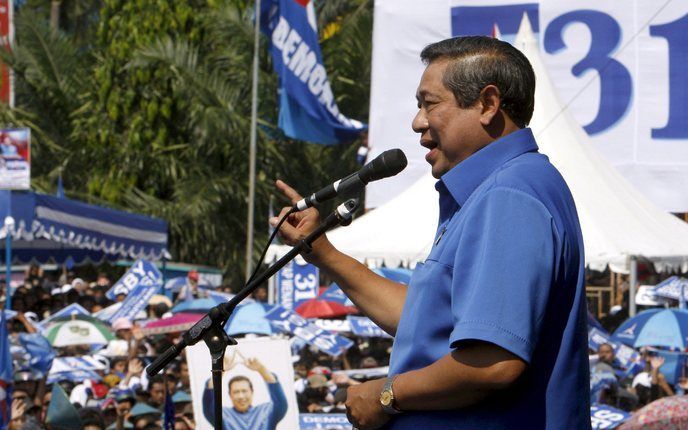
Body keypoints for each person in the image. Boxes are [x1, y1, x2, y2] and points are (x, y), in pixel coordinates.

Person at [271, 35, 589, 429]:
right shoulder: (499, 189)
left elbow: (491, 362)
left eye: (429, 103)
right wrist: (323, 252)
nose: (417, 121)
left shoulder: (510, 193)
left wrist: (386, 395)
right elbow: (426, 321)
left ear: (488, 104)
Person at [202, 357, 287, 430]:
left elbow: (281, 402)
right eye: (236, 392)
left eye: (244, 391)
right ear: (230, 395)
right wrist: (219, 371)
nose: (241, 396)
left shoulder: (266, 411)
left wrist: (261, 369)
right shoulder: (223, 415)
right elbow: (208, 405)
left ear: (252, 392)